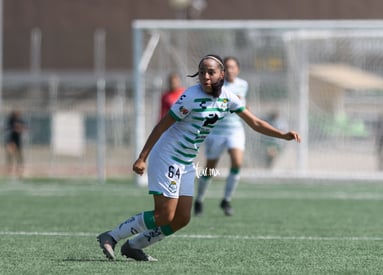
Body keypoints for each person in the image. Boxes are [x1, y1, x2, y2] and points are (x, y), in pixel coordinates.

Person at [97, 54, 301, 262]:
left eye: (211, 72)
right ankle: (112, 236)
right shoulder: (190, 96)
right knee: (164, 215)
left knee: (182, 218)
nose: (205, 76)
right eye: (202, 72)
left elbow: (255, 122)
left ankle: (134, 246)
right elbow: (161, 126)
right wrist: (142, 158)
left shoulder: (228, 97)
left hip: (186, 162)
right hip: (167, 156)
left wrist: (282, 135)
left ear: (221, 74)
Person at [193, 56, 248, 217]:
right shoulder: (217, 85)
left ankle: (226, 200)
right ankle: (199, 200)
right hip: (216, 131)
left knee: (237, 162)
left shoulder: (243, 85)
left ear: (237, 69)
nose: (230, 69)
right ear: (222, 71)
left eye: (233, 67)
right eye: (227, 67)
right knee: (210, 168)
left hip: (235, 130)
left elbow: (243, 104)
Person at [5, 109, 27, 178]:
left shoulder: (21, 121)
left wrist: (21, 128)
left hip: (17, 141)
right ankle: (9, 169)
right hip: (11, 140)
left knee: (19, 157)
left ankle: (19, 170)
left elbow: (23, 128)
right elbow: (12, 129)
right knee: (10, 155)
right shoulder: (11, 120)